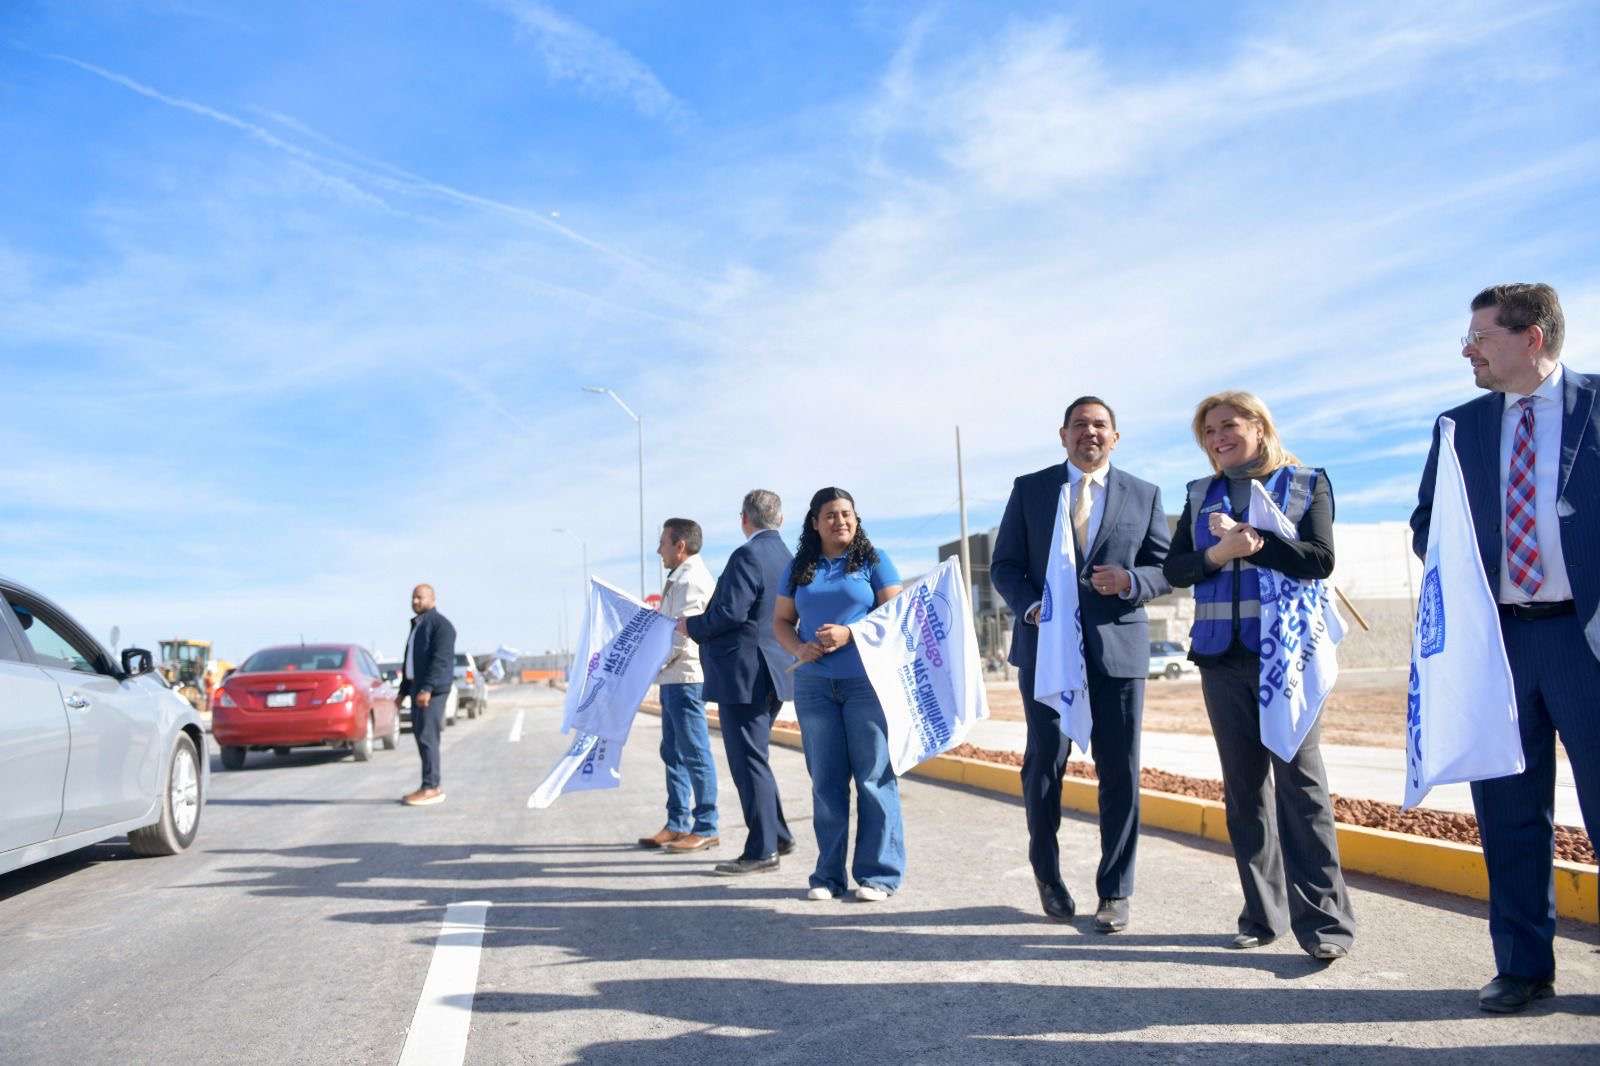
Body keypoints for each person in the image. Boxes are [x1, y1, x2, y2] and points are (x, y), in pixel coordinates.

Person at [1411, 283, 1599, 1013]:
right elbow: (1427, 525)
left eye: (1480, 337)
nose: (1468, 351)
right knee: (1508, 812)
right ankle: (1522, 966)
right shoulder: (1457, 427)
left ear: (1532, 337)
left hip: (1586, 639)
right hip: (1496, 645)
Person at [1162, 391, 1355, 961]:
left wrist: (1258, 545)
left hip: (1287, 659)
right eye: (1208, 432)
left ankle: (1326, 926)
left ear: (1259, 426)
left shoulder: (1307, 482)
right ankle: (1262, 916)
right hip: (1221, 660)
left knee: (1302, 789)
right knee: (1245, 793)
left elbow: (1319, 558)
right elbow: (1176, 568)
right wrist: (1218, 555)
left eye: (1228, 425)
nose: (1218, 438)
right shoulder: (1199, 493)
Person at [991, 396, 1172, 932]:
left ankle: (1115, 891)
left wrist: (1131, 581)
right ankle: (1048, 876)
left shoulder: (1144, 494)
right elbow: (1005, 565)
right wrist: (1031, 606)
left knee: (1120, 771)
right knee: (1045, 764)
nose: (1089, 432)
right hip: (1047, 650)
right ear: (1063, 434)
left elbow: (1165, 567)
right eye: (1079, 425)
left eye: (1100, 425)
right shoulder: (1031, 489)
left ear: (1115, 436)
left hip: (1117, 651)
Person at [773, 487, 904, 902]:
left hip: (867, 683)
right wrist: (798, 649)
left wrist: (852, 633)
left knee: (873, 777)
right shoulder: (799, 567)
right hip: (814, 688)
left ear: (856, 519)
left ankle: (878, 876)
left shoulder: (874, 561)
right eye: (830, 515)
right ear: (815, 523)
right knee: (826, 782)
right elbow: (781, 621)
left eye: (847, 513)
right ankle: (828, 877)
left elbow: (896, 615)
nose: (840, 521)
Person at [681, 490, 798, 875]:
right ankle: (777, 835)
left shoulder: (747, 555)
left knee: (748, 760)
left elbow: (731, 612)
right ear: (780, 520)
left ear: (744, 519)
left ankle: (762, 850)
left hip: (746, 674)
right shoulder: (789, 558)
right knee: (755, 756)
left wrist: (691, 626)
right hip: (775, 670)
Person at [639, 518, 720, 853]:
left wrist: (651, 666)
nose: (659, 550)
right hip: (672, 679)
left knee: (695, 753)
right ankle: (676, 823)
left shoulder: (692, 580)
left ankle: (707, 826)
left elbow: (684, 635)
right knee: (672, 752)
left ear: (680, 545)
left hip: (686, 678)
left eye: (663, 543)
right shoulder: (679, 578)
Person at [400, 583, 456, 807]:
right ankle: (429, 785)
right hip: (418, 689)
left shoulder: (441, 625)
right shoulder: (418, 625)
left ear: (432, 599)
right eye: (413, 597)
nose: (415, 601)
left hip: (431, 692)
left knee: (428, 738)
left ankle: (431, 787)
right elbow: (411, 662)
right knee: (421, 737)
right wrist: (402, 692)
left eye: (420, 597)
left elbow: (440, 660)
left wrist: (427, 689)